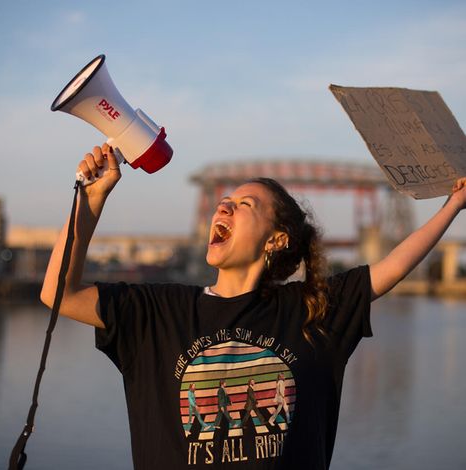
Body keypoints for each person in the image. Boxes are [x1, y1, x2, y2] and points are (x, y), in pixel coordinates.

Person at [40, 143, 466, 469]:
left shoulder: (310, 310)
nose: (224, 205)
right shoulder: (159, 310)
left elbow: (390, 267)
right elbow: (58, 293)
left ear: (276, 238)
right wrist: (90, 201)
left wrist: (454, 205)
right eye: (224, 201)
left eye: (245, 205)